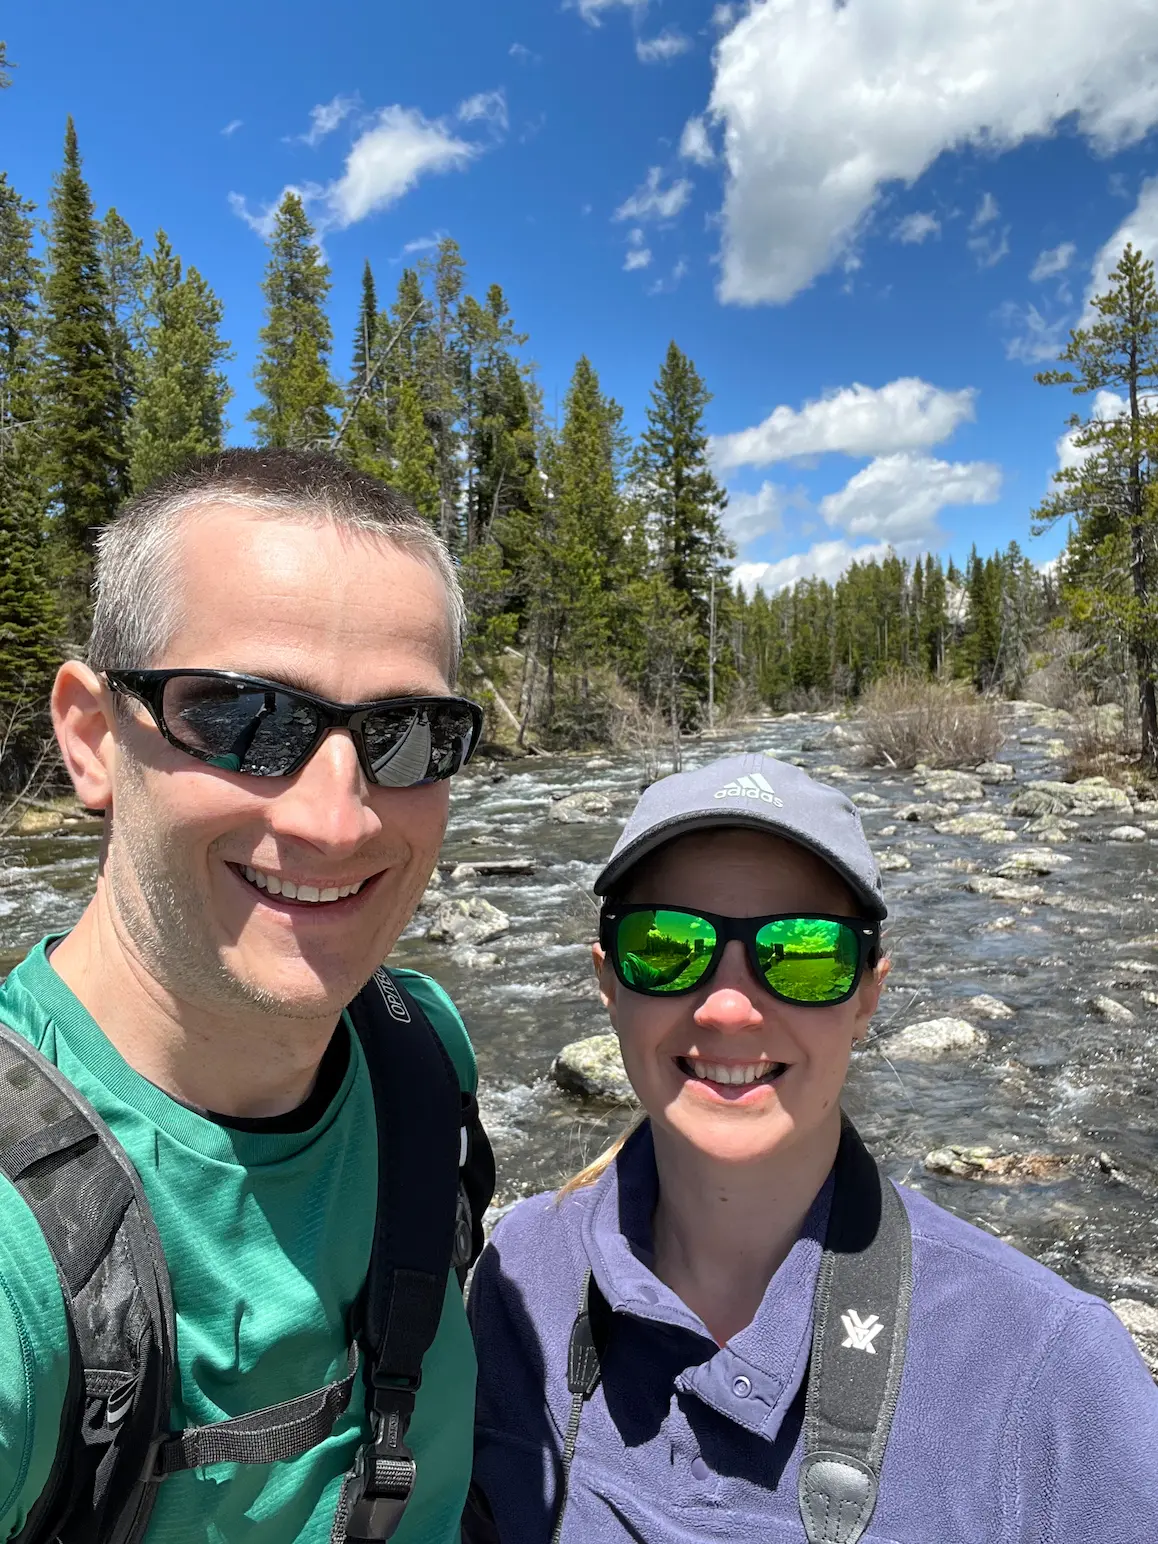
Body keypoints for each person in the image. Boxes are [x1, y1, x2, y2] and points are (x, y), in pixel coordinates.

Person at [466, 753, 1158, 1543]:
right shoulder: (522, 1277)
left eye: (803, 953)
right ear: (608, 980)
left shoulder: (1047, 1373)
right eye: (667, 944)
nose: (728, 1008)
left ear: (868, 992)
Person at [0, 449, 494, 1543]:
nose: (338, 818)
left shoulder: (421, 1051)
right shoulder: (19, 1252)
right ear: (90, 736)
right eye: (241, 718)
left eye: (403, 734)